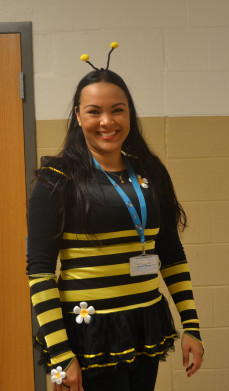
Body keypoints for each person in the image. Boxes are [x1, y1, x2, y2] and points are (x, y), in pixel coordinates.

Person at [27, 43, 204, 391]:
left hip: (145, 324)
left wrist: (192, 327)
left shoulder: (150, 172)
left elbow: (172, 257)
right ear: (78, 116)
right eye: (94, 111)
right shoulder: (56, 179)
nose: (107, 121)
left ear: (130, 115)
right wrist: (62, 355)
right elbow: (40, 271)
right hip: (88, 334)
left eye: (117, 110)